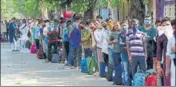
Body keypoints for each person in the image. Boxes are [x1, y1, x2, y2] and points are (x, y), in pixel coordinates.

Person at [156, 17, 173, 86]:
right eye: (163, 25)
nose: (166, 26)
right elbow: (159, 53)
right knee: (167, 82)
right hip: (167, 64)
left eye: (167, 24)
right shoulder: (161, 38)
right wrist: (159, 66)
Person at [118, 20, 130, 85]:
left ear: (128, 25)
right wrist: (127, 46)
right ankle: (126, 83)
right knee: (125, 70)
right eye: (122, 26)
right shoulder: (120, 35)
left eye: (125, 25)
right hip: (124, 54)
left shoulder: (131, 33)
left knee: (132, 70)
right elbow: (121, 45)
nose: (124, 27)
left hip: (131, 55)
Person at [165, 19, 176, 86]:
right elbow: (168, 55)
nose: (174, 30)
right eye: (173, 28)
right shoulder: (171, 39)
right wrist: (167, 69)